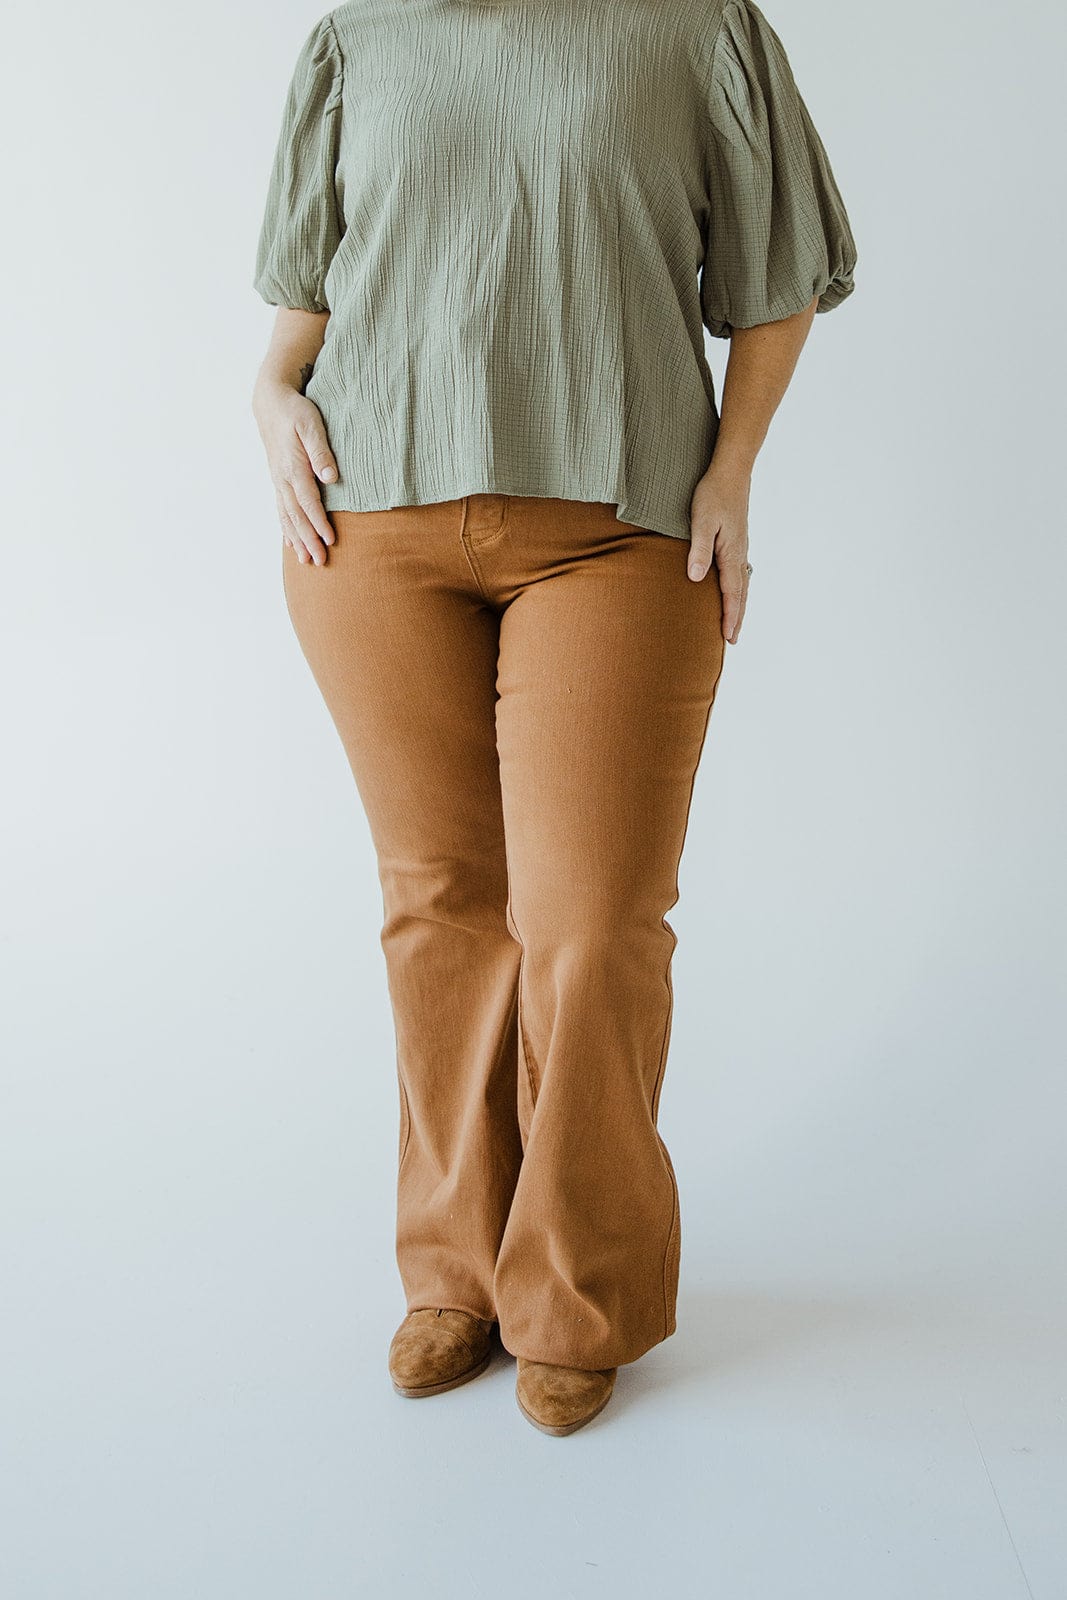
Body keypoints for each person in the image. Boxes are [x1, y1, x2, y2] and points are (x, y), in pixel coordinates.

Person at [251, 0, 857, 1437]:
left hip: (618, 525)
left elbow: (776, 283)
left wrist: (736, 470)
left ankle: (578, 1291)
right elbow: (305, 311)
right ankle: (455, 1270)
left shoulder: (694, 26)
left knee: (589, 924)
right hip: (369, 535)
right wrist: (270, 394)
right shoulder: (359, 36)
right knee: (443, 906)